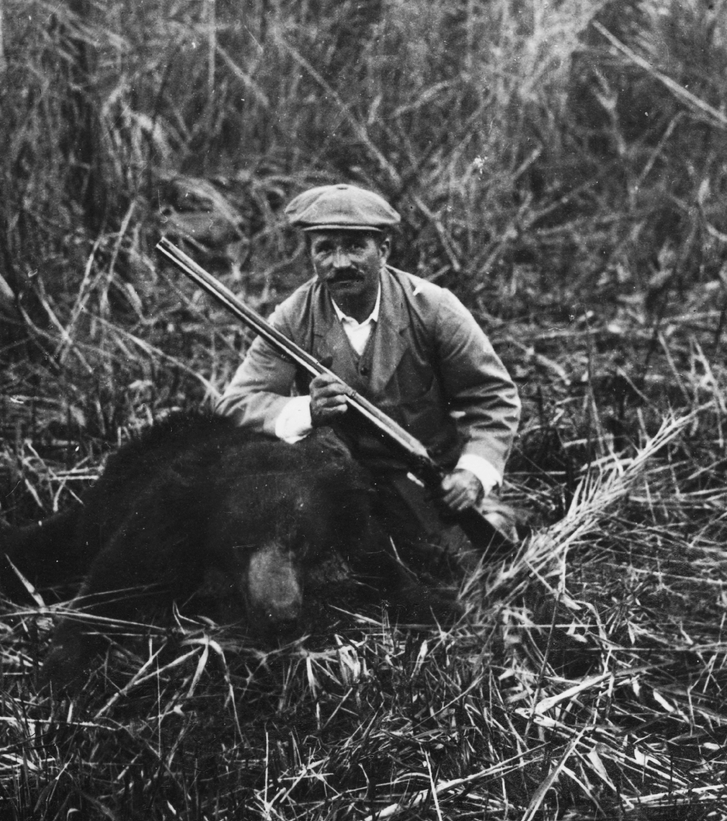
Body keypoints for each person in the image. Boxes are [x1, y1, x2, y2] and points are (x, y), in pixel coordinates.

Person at [216, 183, 521, 569]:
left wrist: (472, 475)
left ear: (384, 250)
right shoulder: (292, 318)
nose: (340, 262)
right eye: (325, 248)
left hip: (428, 481)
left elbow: (492, 397)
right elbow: (236, 403)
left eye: (355, 246)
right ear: (310, 255)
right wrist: (307, 410)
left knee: (470, 569)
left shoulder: (433, 308)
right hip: (336, 485)